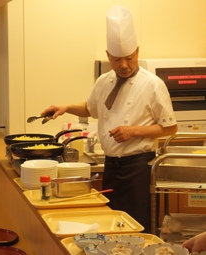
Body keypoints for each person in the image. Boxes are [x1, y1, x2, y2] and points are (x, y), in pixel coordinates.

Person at [41, 5, 178, 233]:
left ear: (137, 52)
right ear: (108, 56)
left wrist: (133, 131)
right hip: (112, 167)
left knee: (137, 229)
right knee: (112, 226)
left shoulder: (153, 85)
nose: (123, 65)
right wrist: (65, 107)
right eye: (116, 60)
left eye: (129, 58)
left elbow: (170, 128)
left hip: (139, 168)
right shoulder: (104, 81)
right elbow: (90, 108)